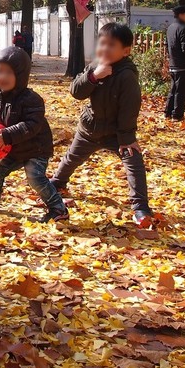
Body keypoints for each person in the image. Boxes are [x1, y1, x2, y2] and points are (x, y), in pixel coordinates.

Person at [50, 23, 154, 227]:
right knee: (72, 157)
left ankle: (140, 207)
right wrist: (94, 76)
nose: (104, 48)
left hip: (117, 133)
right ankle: (57, 183)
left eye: (111, 45)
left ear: (125, 51)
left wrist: (126, 139)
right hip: (90, 128)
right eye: (102, 43)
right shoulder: (94, 67)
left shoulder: (127, 76)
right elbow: (76, 92)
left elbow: (129, 108)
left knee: (134, 164)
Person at [0, 47, 68, 223]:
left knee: (35, 177)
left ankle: (58, 208)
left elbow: (32, 125)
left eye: (9, 72)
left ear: (20, 75)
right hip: (11, 148)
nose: (3, 76)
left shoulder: (31, 99)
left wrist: (7, 134)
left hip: (35, 149)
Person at [165, 6, 185, 121]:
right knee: (181, 91)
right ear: (181, 15)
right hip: (183, 65)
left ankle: (168, 112)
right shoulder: (183, 28)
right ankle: (177, 115)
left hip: (173, 63)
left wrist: (171, 58)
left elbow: (166, 45)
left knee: (173, 89)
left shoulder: (170, 28)